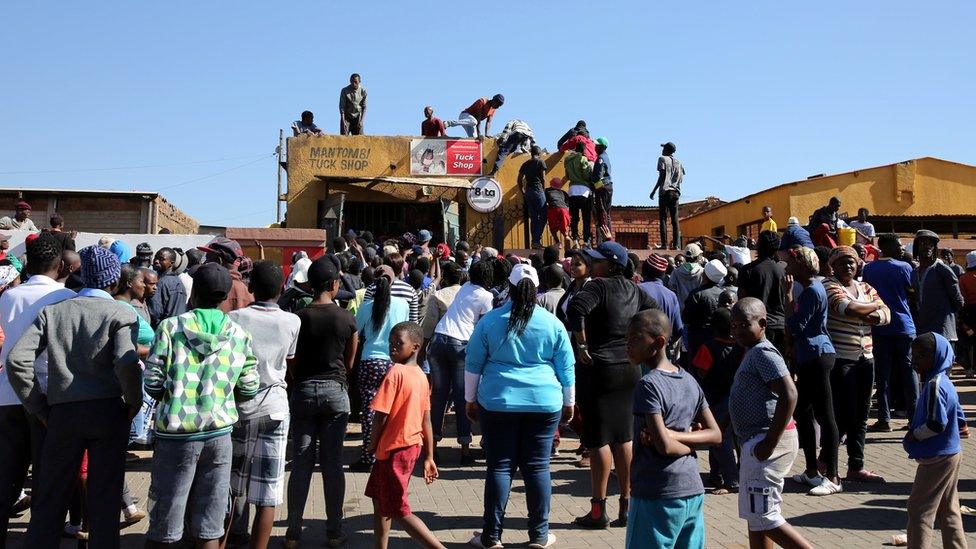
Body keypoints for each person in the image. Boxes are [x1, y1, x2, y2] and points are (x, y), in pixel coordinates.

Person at [6, 244, 142, 548]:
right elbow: (126, 361)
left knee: (51, 497)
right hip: (108, 412)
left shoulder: (53, 312)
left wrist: (37, 406)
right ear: (114, 281)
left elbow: (16, 360)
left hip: (62, 414)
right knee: (105, 497)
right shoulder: (121, 313)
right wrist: (133, 401)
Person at [142, 262, 258, 548]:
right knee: (210, 521)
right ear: (224, 297)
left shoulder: (171, 328)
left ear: (193, 294)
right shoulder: (238, 334)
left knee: (167, 516)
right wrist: (223, 398)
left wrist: (173, 398)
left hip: (175, 437)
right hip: (219, 435)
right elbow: (249, 386)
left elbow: (152, 382)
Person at [465, 264, 575, 549]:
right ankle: (539, 535)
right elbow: (566, 367)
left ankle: (491, 537)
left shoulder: (490, 320)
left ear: (509, 288)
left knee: (500, 467)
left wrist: (469, 399)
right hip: (544, 402)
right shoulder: (552, 324)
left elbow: (473, 363)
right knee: (538, 467)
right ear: (536, 289)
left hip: (497, 401)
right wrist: (569, 402)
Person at [567, 241, 658, 529]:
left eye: (597, 260)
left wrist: (582, 344)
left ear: (611, 264)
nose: (593, 264)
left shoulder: (596, 287)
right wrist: (640, 345)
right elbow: (655, 314)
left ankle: (598, 511)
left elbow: (575, 310)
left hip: (599, 370)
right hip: (629, 370)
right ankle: (627, 507)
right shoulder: (634, 289)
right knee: (625, 438)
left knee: (599, 441)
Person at [0, 234, 75, 544]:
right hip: (48, 398)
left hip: (7, 396)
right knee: (47, 478)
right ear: (60, 264)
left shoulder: (7, 297)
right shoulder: (68, 298)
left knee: (6, 476)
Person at [626, 309, 721, 548]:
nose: (629, 345)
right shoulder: (688, 379)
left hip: (656, 492)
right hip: (691, 490)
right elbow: (714, 434)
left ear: (658, 342)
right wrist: (690, 442)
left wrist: (671, 436)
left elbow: (666, 446)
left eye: (636, 339)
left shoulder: (648, 385)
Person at [225, 262, 301, 549]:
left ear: (251, 287)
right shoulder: (292, 321)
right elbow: (289, 360)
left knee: (232, 488)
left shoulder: (234, 318)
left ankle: (225, 540)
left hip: (239, 408)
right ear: (282, 288)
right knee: (268, 491)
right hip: (275, 407)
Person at [285, 257, 358, 548]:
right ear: (335, 285)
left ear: (310, 285)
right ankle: (334, 531)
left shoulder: (299, 317)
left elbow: (292, 360)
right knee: (332, 464)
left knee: (301, 464)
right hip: (335, 393)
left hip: (302, 392)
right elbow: (350, 361)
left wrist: (301, 377)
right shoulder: (346, 319)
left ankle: (292, 533)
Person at [728, 299, 811, 549]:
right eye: (734, 325)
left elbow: (790, 394)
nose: (737, 330)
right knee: (756, 518)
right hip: (757, 442)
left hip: (767, 442)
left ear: (762, 324)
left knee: (765, 516)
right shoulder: (752, 351)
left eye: (744, 324)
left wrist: (769, 443)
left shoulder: (762, 352)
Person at [361, 322, 443, 549]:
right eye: (390, 343)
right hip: (409, 448)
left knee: (398, 509)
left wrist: (372, 444)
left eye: (399, 343)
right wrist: (429, 456)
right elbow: (427, 420)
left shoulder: (395, 372)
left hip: (394, 450)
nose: (393, 348)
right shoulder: (421, 376)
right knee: (380, 501)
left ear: (416, 347)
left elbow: (380, 416)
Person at [822, 247, 890, 483]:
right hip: (842, 358)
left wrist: (867, 311)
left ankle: (856, 465)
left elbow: (886, 314)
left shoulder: (865, 287)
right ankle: (826, 461)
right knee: (842, 413)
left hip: (866, 357)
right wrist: (872, 309)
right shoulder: (829, 286)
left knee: (861, 414)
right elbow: (847, 308)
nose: (848, 266)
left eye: (851, 262)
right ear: (833, 266)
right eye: (842, 262)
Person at [782, 246, 841, 496]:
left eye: (792, 263)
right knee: (803, 411)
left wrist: (787, 297)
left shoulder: (811, 292)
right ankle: (811, 471)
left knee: (825, 414)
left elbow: (795, 326)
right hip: (809, 355)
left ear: (803, 266)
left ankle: (833, 476)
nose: (787, 268)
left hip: (817, 355)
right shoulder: (811, 289)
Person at [903, 333, 967, 549]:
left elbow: (936, 424)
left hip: (937, 457)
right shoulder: (943, 381)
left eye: (921, 357)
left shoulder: (934, 385)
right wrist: (962, 427)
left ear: (936, 356)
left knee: (919, 509)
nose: (915, 362)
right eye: (914, 356)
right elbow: (957, 412)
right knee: (948, 508)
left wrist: (914, 435)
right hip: (951, 453)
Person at [427, 260, 494, 465]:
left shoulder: (465, 287)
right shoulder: (487, 296)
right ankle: (465, 451)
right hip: (461, 344)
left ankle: (432, 449)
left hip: (438, 339)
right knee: (463, 398)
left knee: (438, 398)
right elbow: (485, 326)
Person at [353, 266, 411, 470]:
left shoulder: (367, 306)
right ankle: (389, 452)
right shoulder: (402, 304)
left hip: (370, 361)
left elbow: (356, 331)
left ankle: (369, 456)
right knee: (394, 409)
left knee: (369, 411)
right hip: (394, 362)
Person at [863, 233, 919, 432]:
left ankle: (884, 419)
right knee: (909, 372)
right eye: (898, 245)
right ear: (887, 248)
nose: (901, 248)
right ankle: (914, 419)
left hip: (880, 326)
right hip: (904, 326)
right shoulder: (905, 267)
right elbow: (913, 293)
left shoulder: (869, 269)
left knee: (883, 374)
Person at [689, 308, 744, 495]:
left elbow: (700, 371)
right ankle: (716, 474)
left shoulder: (708, 347)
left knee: (720, 441)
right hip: (736, 397)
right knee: (730, 438)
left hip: (716, 400)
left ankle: (732, 481)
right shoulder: (740, 347)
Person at [738, 231, 789, 358]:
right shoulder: (783, 270)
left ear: (759, 246)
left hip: (758, 328)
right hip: (781, 327)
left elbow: (741, 300)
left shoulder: (747, 270)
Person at [912, 230, 963, 343]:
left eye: (931, 244)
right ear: (916, 247)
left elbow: (958, 300)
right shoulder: (914, 273)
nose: (927, 247)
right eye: (923, 243)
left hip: (943, 331)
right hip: (923, 331)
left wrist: (945, 313)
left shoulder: (942, 269)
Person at [638, 254, 683, 357]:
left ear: (644, 271)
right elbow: (678, 330)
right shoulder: (671, 295)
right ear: (663, 275)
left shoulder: (637, 290)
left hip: (642, 353)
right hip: (663, 353)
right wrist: (666, 344)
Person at [683, 259, 727, 361]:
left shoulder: (696, 294)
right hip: (719, 342)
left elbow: (686, 318)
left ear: (705, 276)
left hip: (699, 341)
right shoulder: (725, 293)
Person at [198, 237, 254, 312]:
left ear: (219, 261)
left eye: (208, 259)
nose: (205, 263)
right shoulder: (249, 294)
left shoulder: (209, 289)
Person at [649, 142, 685, 250]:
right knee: (675, 220)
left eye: (664, 148)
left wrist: (654, 190)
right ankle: (676, 245)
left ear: (666, 150)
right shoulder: (679, 163)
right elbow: (681, 179)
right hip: (676, 192)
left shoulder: (662, 159)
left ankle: (664, 245)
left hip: (665, 192)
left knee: (663, 219)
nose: (662, 149)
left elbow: (662, 176)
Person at [147, 247, 188, 327]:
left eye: (161, 259)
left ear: (171, 263)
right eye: (156, 257)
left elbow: (155, 312)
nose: (156, 261)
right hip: (178, 328)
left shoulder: (160, 283)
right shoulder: (179, 282)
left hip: (162, 329)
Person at [564, 141, 594, 248]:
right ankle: (586, 241)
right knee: (586, 218)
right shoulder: (583, 159)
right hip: (584, 191)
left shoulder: (567, 160)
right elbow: (586, 175)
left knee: (574, 218)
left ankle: (575, 240)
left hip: (572, 191)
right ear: (583, 150)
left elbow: (567, 176)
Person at [519, 146, 548, 249]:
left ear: (531, 153)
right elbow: (543, 178)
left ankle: (534, 242)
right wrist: (543, 191)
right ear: (539, 153)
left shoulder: (525, 164)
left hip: (528, 192)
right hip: (538, 191)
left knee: (534, 218)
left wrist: (523, 191)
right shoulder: (540, 162)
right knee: (544, 216)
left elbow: (519, 180)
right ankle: (536, 240)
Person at [590, 137, 614, 243]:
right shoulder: (606, 157)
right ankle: (607, 238)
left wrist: (592, 183)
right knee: (606, 213)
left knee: (602, 213)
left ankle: (602, 240)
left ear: (602, 147)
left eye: (597, 145)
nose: (595, 147)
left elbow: (598, 176)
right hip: (608, 186)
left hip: (602, 187)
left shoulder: (600, 158)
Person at [545, 177, 571, 250]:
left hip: (554, 209)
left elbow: (545, 201)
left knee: (553, 228)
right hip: (564, 210)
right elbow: (568, 204)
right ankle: (566, 238)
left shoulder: (547, 191)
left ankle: (557, 242)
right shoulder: (564, 193)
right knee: (565, 229)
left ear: (551, 184)